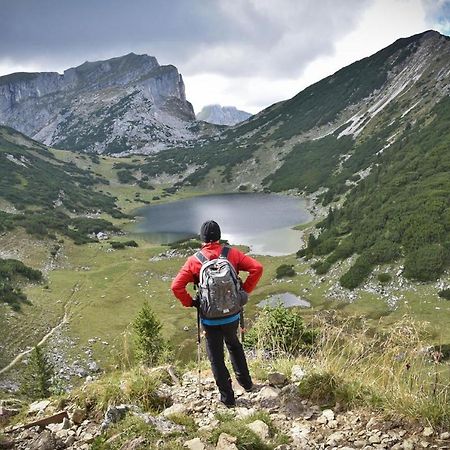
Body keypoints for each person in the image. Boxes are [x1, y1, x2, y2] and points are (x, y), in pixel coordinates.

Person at [171, 220, 263, 407]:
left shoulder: (194, 260)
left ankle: (228, 398)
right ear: (219, 236)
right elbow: (257, 268)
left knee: (215, 356)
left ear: (202, 239)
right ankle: (246, 383)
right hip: (232, 314)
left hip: (210, 319)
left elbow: (176, 286)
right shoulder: (232, 254)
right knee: (235, 345)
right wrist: (242, 292)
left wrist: (192, 303)